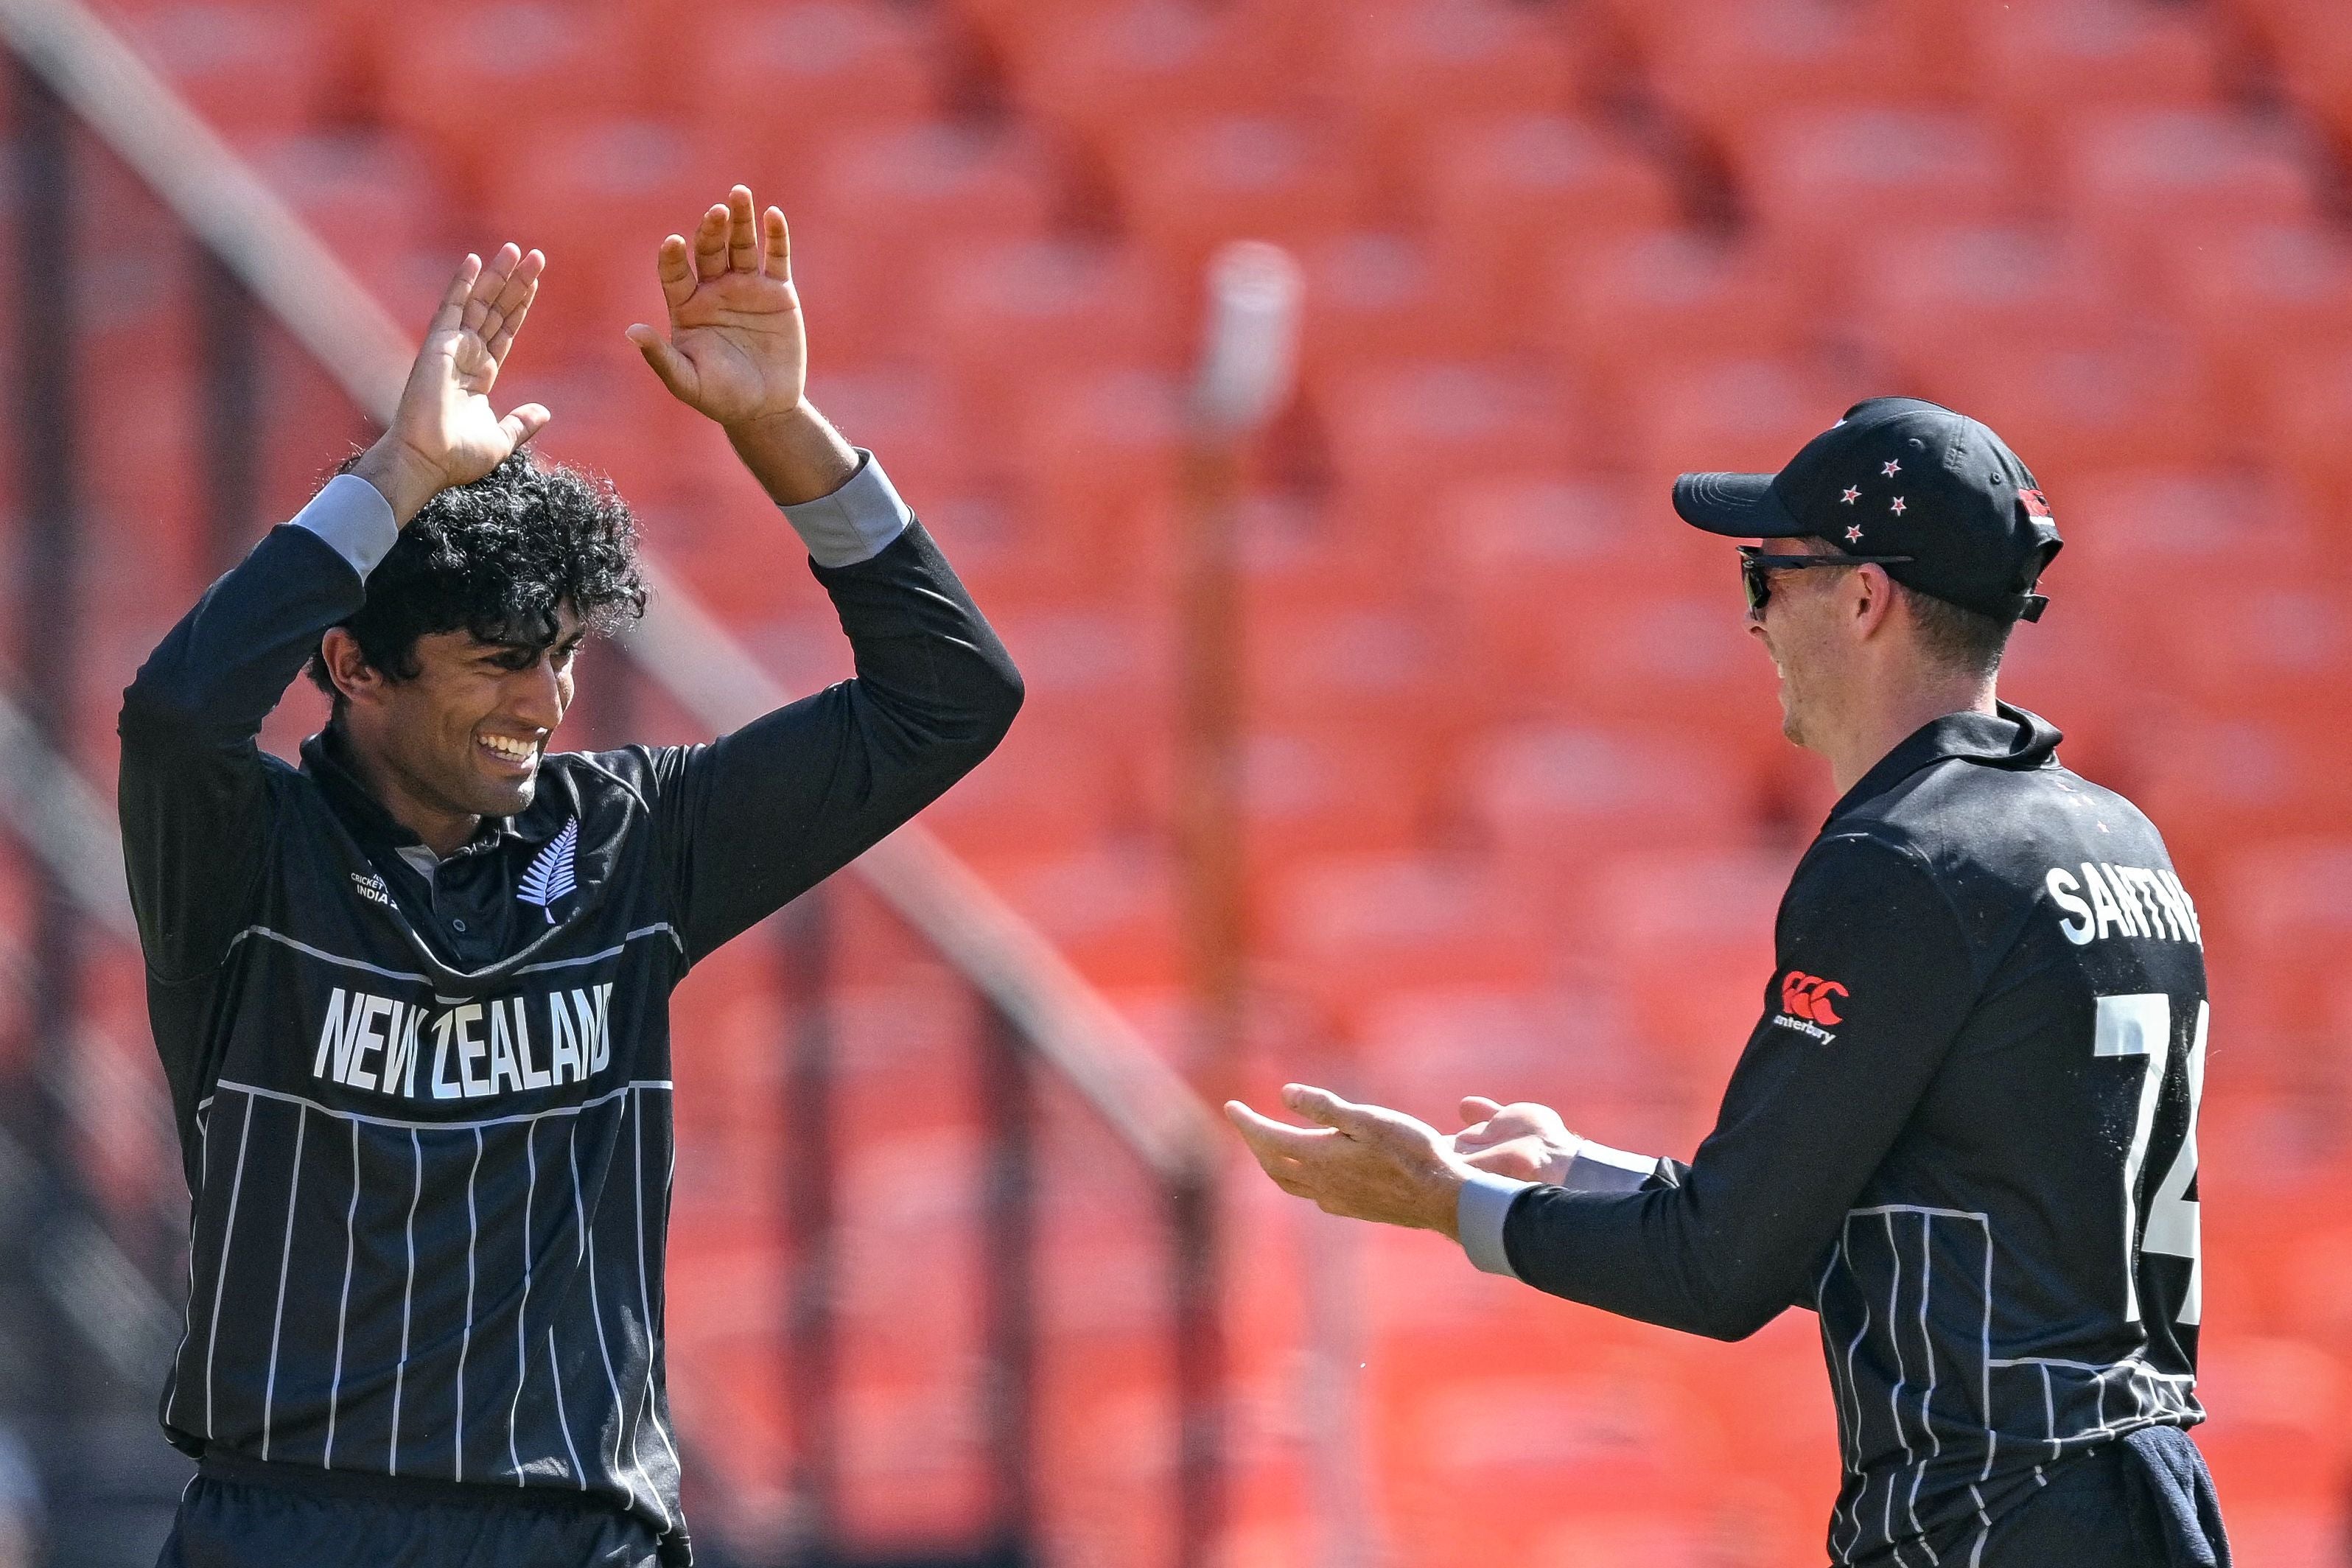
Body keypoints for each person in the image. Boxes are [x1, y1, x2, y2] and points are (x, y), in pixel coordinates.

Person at [119, 186, 1021, 1567]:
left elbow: (950, 699)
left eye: (561, 653)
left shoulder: (628, 845)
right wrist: (395, 478)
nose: (545, 700)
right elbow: (179, 713)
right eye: (496, 658)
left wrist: (783, 430)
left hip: (580, 1529)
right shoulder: (246, 862)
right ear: (355, 665)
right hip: (291, 1522)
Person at [1228, 398, 2229, 1567]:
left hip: (1989, 1514)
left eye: (1768, 575)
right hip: (2149, 1501)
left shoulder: (1903, 858)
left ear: (1865, 599)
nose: (1755, 620)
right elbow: (1944, 1243)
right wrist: (1589, 1172)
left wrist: (1449, 1205)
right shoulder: (2119, 838)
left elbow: (1724, 1270)